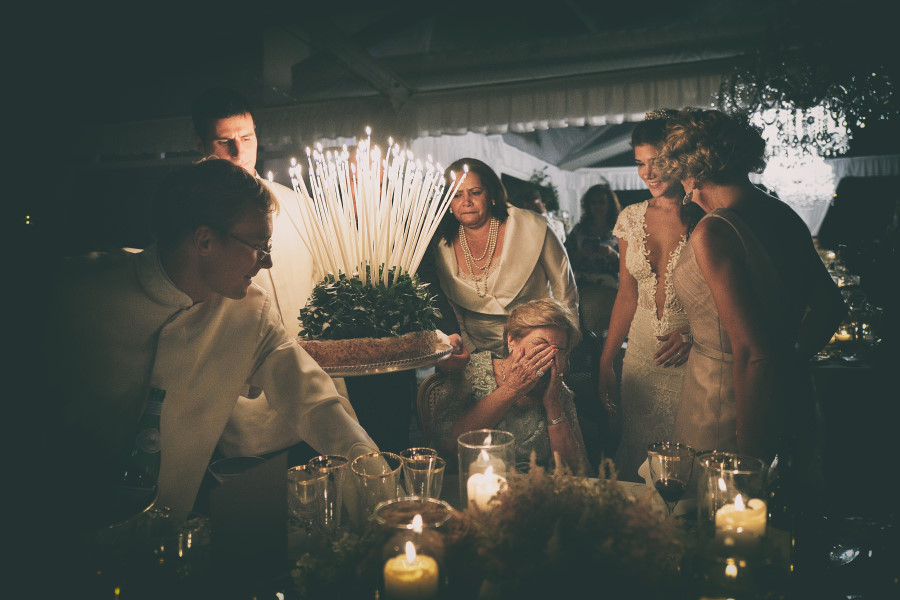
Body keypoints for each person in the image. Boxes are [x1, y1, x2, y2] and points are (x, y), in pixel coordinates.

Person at [43, 159, 378, 522]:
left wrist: (379, 488)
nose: (267, 263)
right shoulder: (70, 290)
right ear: (204, 241)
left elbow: (315, 403)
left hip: (169, 534)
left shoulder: (250, 312)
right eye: (259, 245)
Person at [658, 108, 846, 463]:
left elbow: (753, 351)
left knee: (724, 494)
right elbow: (830, 307)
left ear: (693, 171)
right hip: (789, 391)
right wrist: (788, 363)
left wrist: (749, 445)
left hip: (727, 401)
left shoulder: (714, 231)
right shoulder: (783, 214)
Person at [191, 88, 340, 458]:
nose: (239, 152)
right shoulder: (190, 222)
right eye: (225, 142)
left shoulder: (298, 205)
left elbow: (329, 289)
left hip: (317, 391)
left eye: (247, 138)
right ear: (202, 146)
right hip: (243, 412)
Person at [596, 110, 698, 482]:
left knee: (684, 461)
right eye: (640, 163)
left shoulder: (706, 216)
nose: (648, 173)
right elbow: (627, 295)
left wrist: (694, 334)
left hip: (691, 356)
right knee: (636, 451)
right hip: (639, 355)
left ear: (681, 159)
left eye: (658, 162)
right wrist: (607, 360)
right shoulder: (630, 217)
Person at [431, 157, 579, 355]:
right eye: (457, 195)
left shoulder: (532, 226)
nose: (466, 202)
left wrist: (562, 346)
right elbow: (454, 313)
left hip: (540, 346)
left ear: (491, 193)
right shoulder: (440, 246)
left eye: (475, 192)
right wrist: (471, 356)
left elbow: (565, 290)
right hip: (477, 352)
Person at [432, 298, 589, 471]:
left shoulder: (558, 389)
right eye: (541, 345)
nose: (548, 357)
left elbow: (578, 472)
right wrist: (513, 388)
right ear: (511, 340)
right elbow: (448, 445)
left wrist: (553, 403)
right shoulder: (472, 371)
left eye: (558, 350)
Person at [564, 182, 622, 335]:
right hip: (582, 287)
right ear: (588, 205)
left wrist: (612, 254)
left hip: (610, 288)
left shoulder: (620, 229)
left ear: (609, 204)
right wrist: (581, 254)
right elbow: (565, 261)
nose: (597, 206)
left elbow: (629, 264)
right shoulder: (579, 230)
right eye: (593, 202)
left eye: (602, 202)